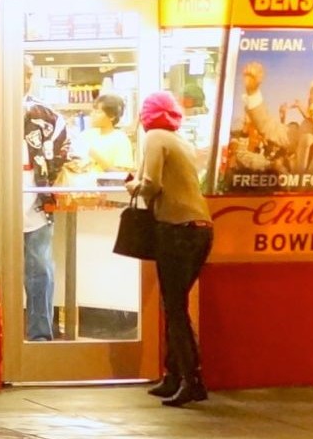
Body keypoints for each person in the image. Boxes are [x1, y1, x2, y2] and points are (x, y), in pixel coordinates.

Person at [126, 91, 214, 408]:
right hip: (201, 229)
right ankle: (174, 375)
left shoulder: (155, 138)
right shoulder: (181, 141)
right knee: (175, 304)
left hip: (176, 229)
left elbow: (151, 184)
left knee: (174, 308)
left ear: (147, 115)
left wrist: (131, 185)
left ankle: (192, 380)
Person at [22, 55, 70, 342]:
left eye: (28, 74)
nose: (25, 79)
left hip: (37, 202)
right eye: (20, 73)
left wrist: (48, 179)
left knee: (40, 268)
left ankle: (40, 335)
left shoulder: (47, 115)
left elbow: (66, 149)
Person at [74, 92, 134, 174]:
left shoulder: (120, 139)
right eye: (93, 111)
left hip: (103, 186)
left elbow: (123, 175)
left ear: (112, 116)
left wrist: (96, 157)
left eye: (97, 112)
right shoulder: (85, 135)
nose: (92, 115)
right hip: (81, 185)